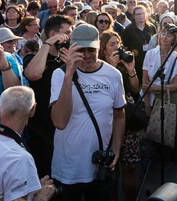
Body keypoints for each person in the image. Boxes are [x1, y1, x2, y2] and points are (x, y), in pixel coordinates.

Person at [50, 24, 126, 200]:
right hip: (68, 167)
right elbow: (60, 122)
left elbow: (119, 114)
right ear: (71, 49)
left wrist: (116, 149)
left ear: (99, 47)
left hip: (100, 166)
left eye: (91, 49)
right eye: (80, 50)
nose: (86, 55)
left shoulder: (113, 75)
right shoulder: (59, 75)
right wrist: (69, 74)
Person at [23, 14, 73, 177]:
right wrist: (46, 45)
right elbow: (33, 74)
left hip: (65, 126)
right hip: (40, 130)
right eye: (67, 33)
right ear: (54, 35)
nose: (70, 37)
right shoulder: (33, 57)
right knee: (44, 174)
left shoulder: (68, 59)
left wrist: (70, 66)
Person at [98, 30, 140, 201]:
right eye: (112, 44)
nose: (116, 47)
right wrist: (112, 67)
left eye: (118, 43)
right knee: (111, 168)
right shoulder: (99, 65)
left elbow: (136, 89)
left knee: (129, 166)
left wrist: (130, 70)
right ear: (103, 48)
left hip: (126, 115)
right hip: (109, 116)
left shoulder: (123, 63)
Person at [121, 5, 157, 78]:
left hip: (151, 61)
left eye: (143, 13)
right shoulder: (129, 29)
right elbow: (125, 47)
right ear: (134, 16)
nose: (141, 16)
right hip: (136, 62)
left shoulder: (151, 27)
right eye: (138, 14)